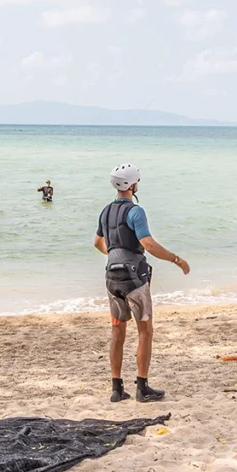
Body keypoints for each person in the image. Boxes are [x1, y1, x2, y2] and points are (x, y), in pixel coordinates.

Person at [93, 163, 190, 403]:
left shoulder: (105, 211)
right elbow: (148, 243)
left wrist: (115, 257)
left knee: (117, 331)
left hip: (111, 278)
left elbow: (97, 243)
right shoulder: (136, 211)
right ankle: (142, 387)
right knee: (145, 331)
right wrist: (176, 259)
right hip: (134, 280)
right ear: (133, 185)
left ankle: (116, 389)